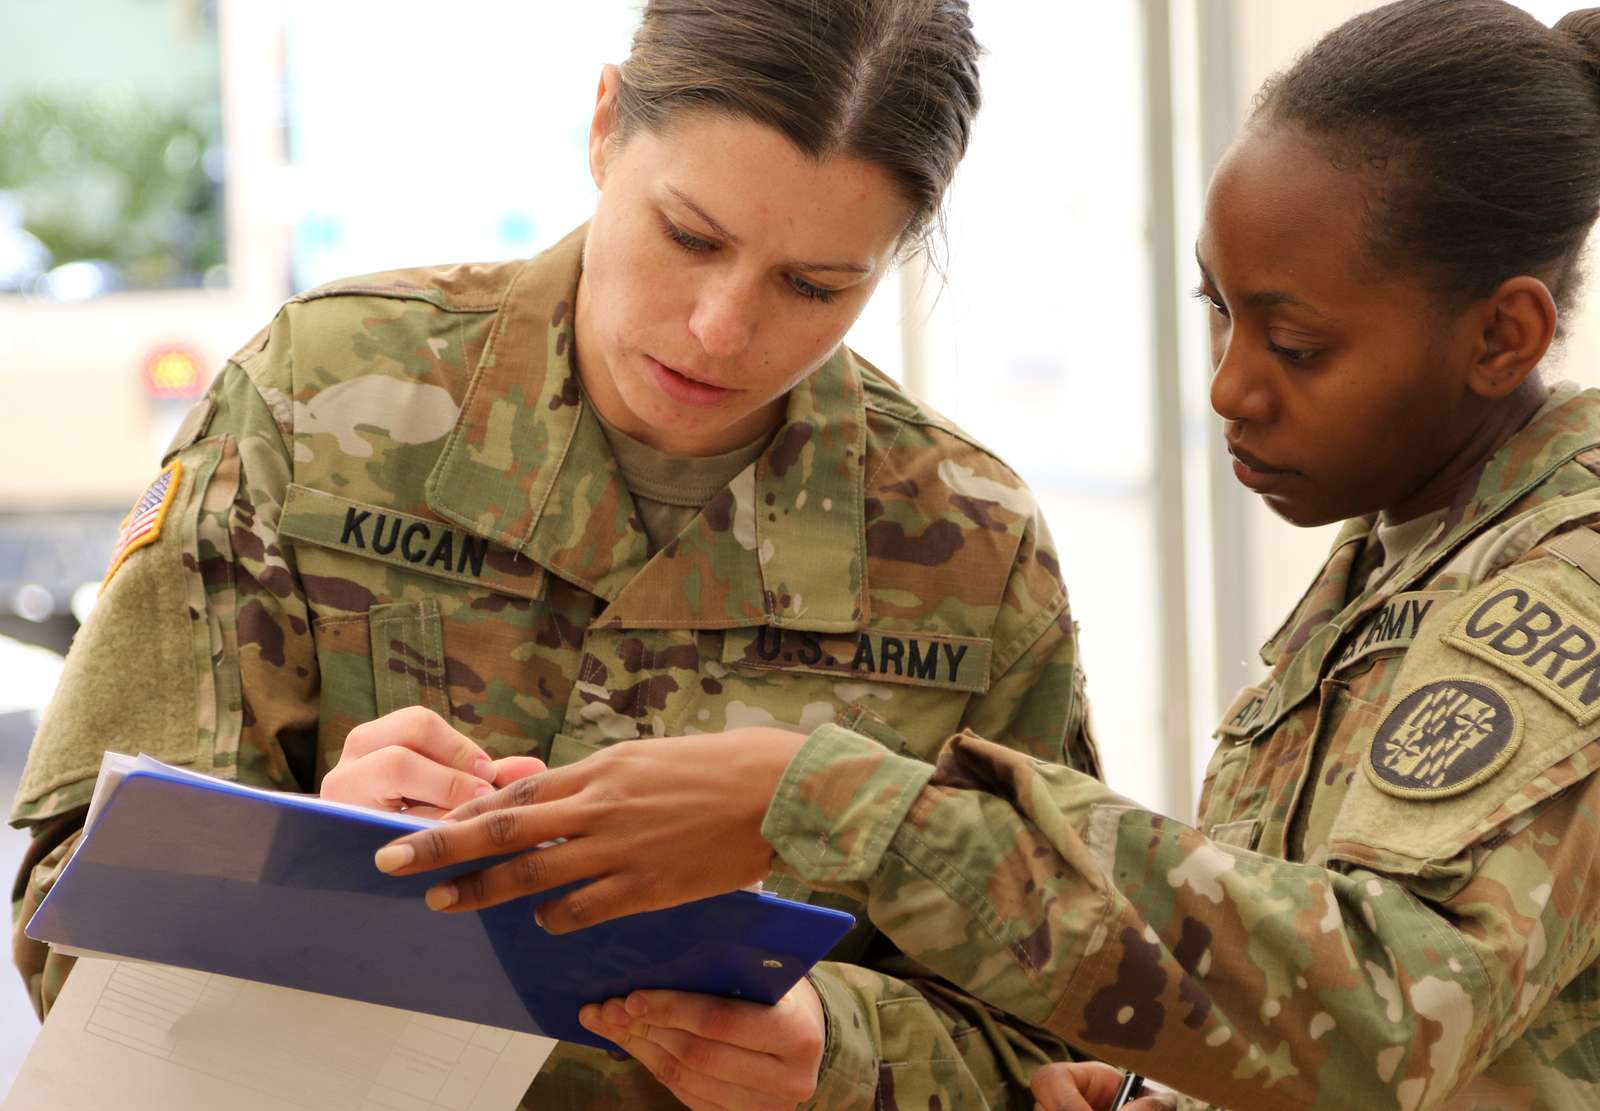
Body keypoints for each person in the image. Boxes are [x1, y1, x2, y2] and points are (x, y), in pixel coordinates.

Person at [373, 2, 1600, 1107]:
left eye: (1297, 342)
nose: (1228, 386)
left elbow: (1387, 1018)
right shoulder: (1408, 548)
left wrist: (817, 800)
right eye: (1216, 311)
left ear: (1500, 335)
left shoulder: (1565, 578)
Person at [8, 2, 1106, 1109]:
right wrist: (304, 867)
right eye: (690, 235)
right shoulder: (321, 404)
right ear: (602, 127)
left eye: (814, 285)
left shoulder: (971, 551)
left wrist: (841, 1049)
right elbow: (65, 918)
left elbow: (1067, 1038)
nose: (721, 328)